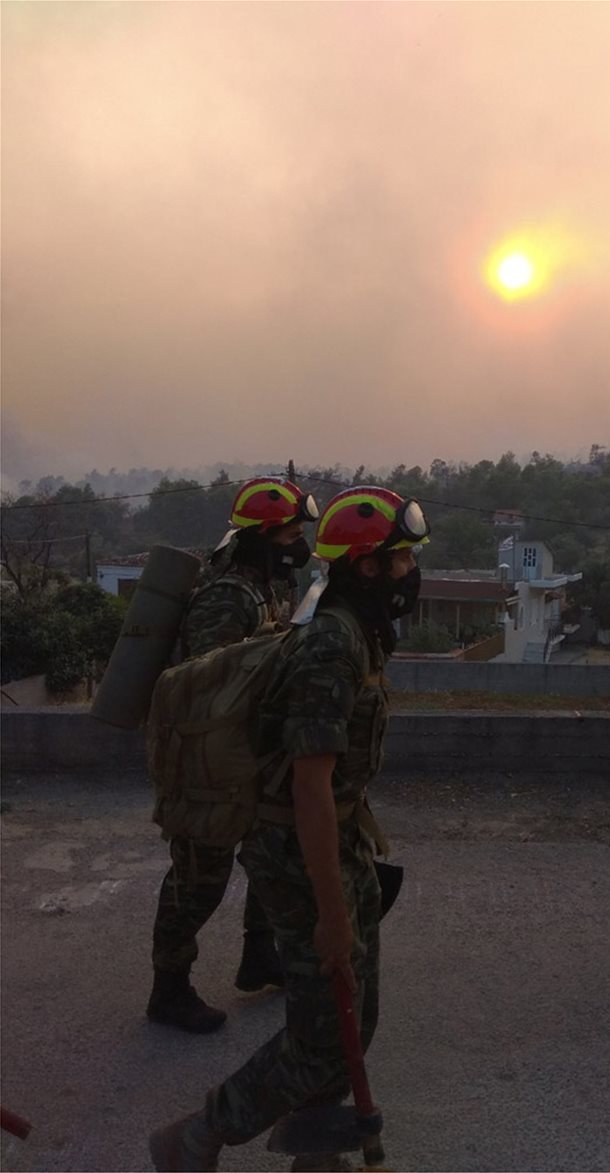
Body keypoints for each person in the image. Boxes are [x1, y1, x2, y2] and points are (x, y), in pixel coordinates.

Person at [149, 486, 429, 1171]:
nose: (408, 573)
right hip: (301, 854)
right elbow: (308, 785)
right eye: (399, 560)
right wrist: (332, 913)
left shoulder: (354, 632)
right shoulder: (331, 644)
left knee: (353, 1015)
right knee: (320, 1036)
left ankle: (316, 1149)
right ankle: (197, 1135)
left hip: (339, 840)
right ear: (365, 567)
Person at [147, 477, 320, 1034]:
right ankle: (168, 989)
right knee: (199, 876)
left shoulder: (267, 584)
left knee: (271, 854)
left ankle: (258, 956)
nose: (300, 542)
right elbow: (207, 684)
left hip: (251, 750)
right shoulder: (228, 595)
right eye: (292, 532)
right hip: (208, 755)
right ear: (264, 536)